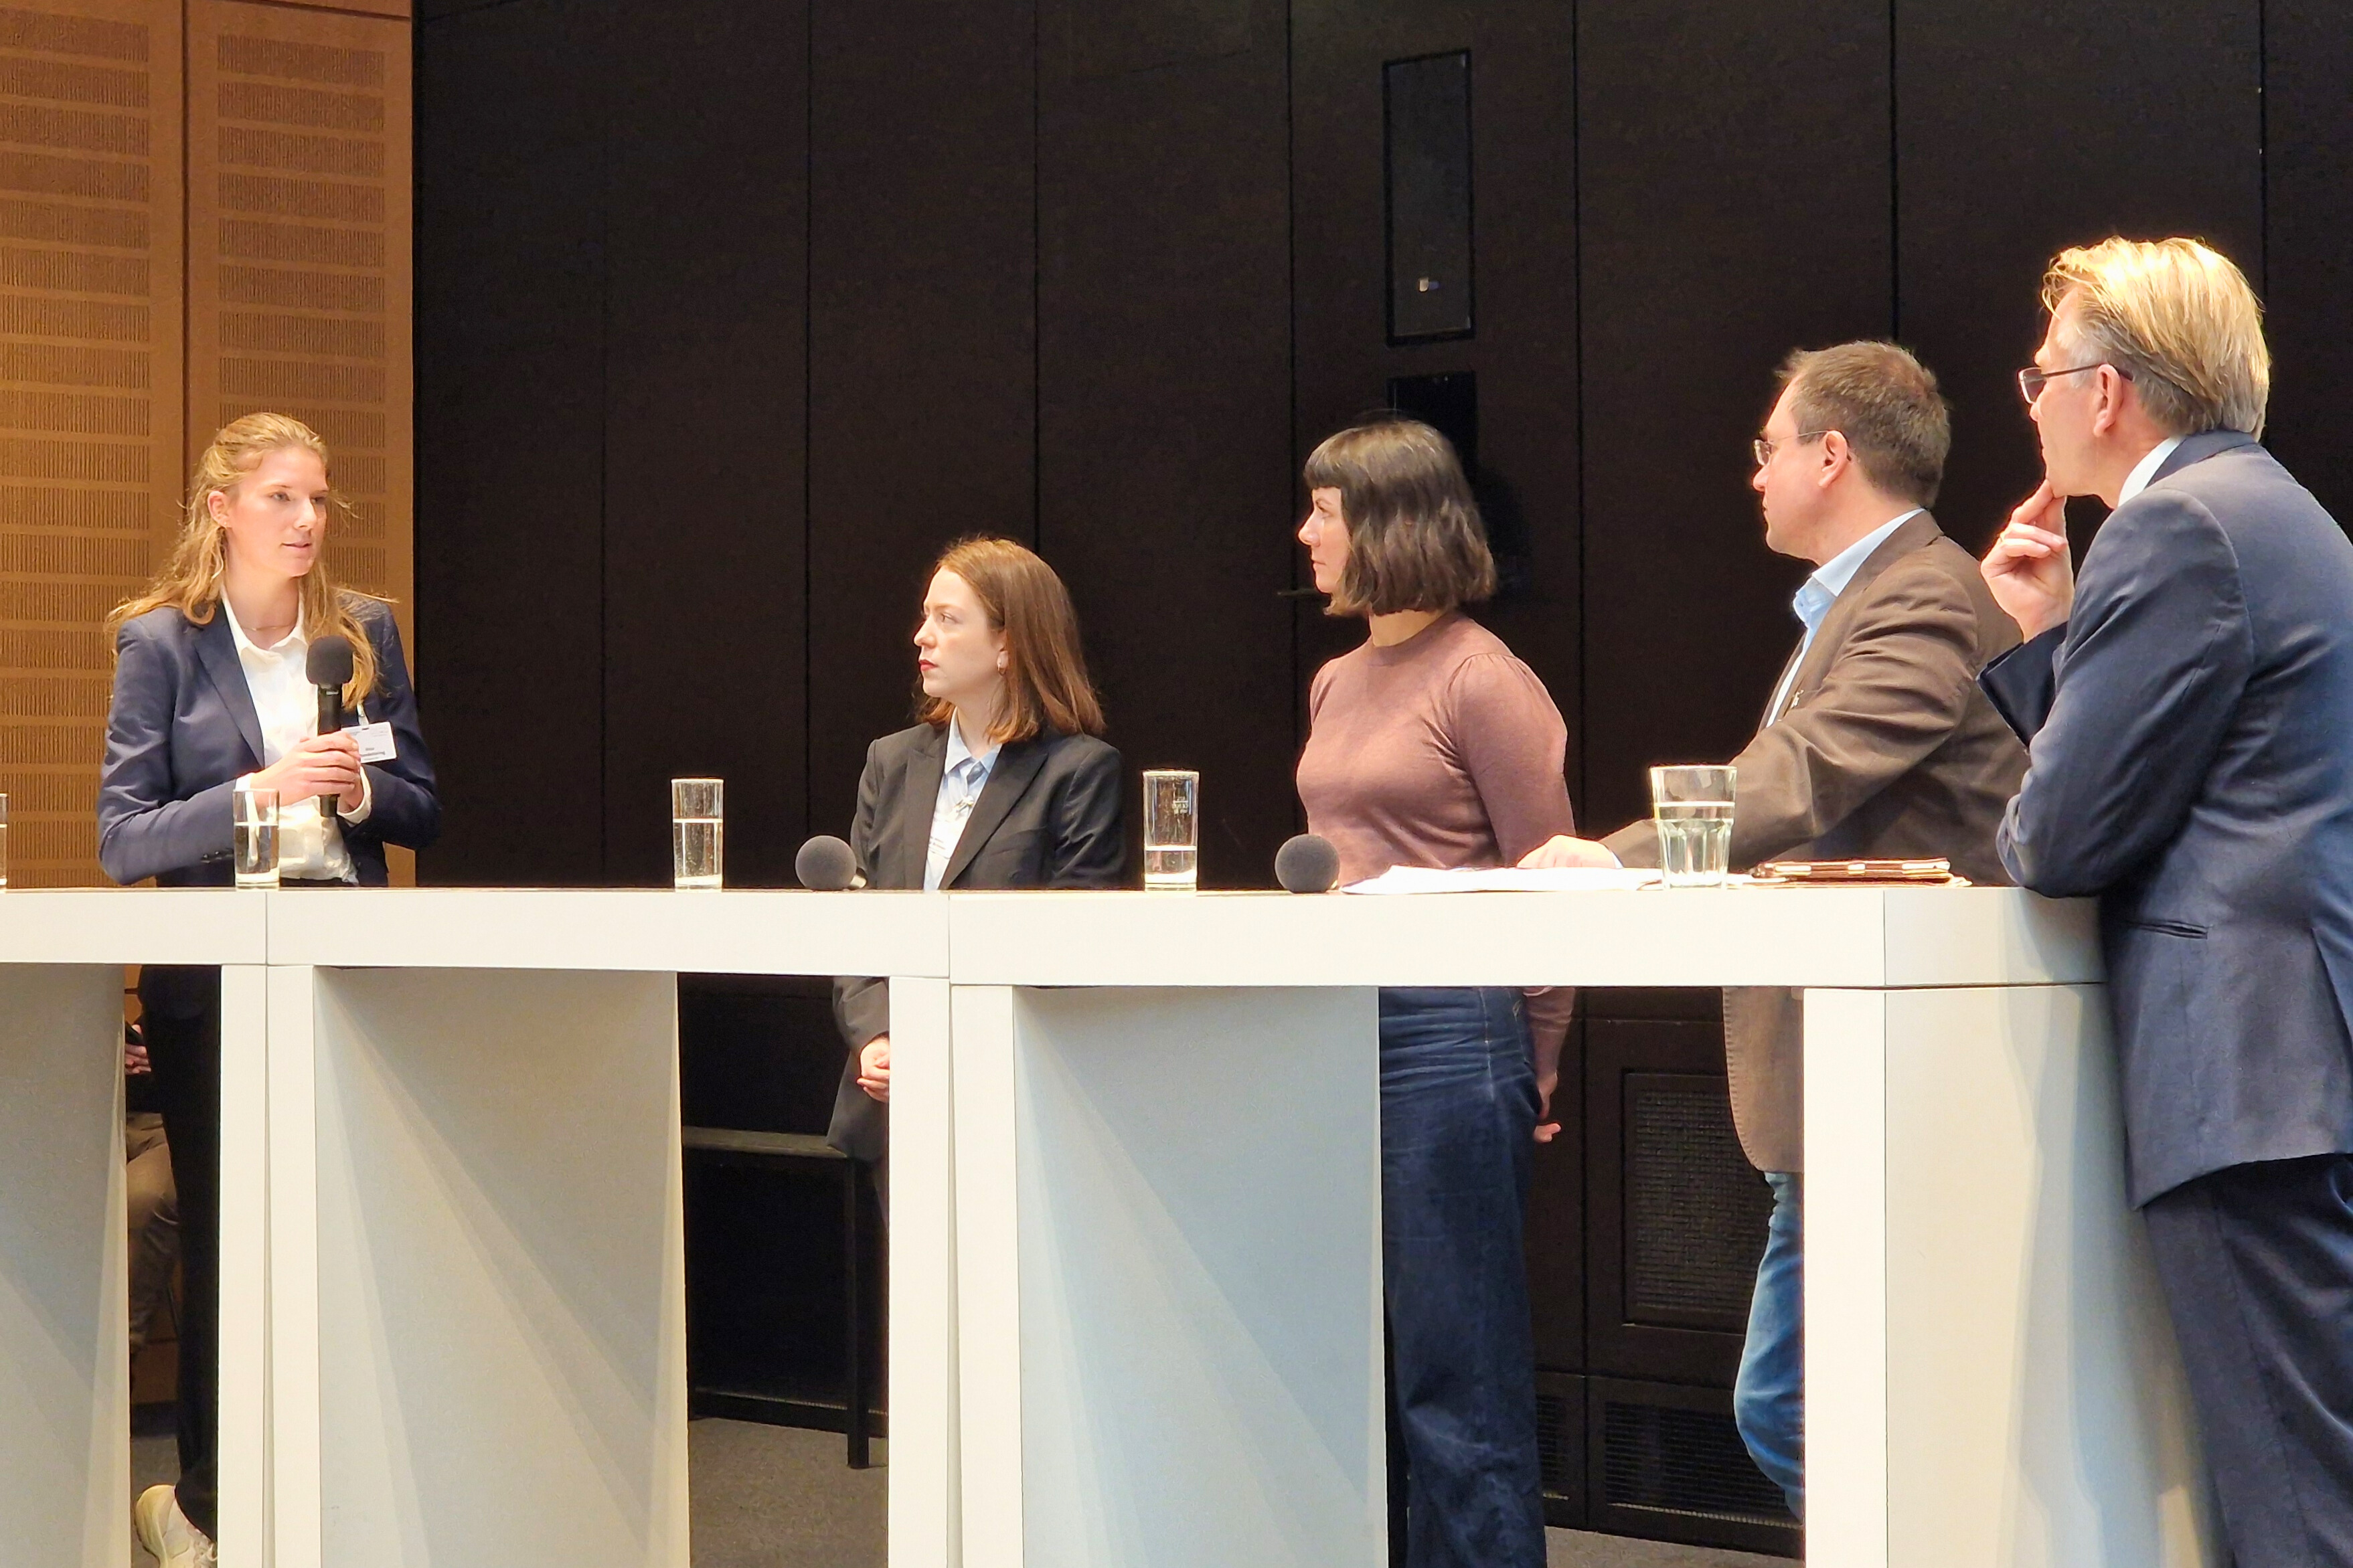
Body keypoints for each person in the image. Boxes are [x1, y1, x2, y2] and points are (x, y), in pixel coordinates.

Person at [1519, 342, 2027, 1516]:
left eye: (1769, 447)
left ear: (1831, 454)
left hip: (1896, 1077)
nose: (1755, 474)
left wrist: (1618, 857)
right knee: (1829, 1405)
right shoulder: (1870, 597)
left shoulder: (1922, 594)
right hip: (1853, 1082)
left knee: (1793, 1407)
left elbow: (1807, 768)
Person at [1976, 237, 2353, 1568]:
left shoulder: (2171, 524)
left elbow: (2057, 836)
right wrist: (2052, 638)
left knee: (2290, 1507)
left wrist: (2048, 651)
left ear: (2108, 389)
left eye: (2041, 373)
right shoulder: (2278, 510)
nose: (2029, 399)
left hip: (2240, 1076)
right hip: (2294, 1062)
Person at [99, 412, 440, 1568]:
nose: (306, 521)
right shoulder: (162, 642)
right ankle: (205, 1503)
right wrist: (263, 787)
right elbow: (123, 836)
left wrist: (356, 795)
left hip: (344, 972)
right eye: (282, 498)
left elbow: (423, 803)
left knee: (346, 1225)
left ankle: (345, 1489)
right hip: (217, 985)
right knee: (229, 1234)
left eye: (319, 499)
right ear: (222, 509)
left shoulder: (361, 633)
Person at [1292, 418, 1570, 1568]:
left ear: (1389, 523)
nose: (1305, 533)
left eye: (1324, 510)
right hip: (1333, 1021)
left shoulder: (1480, 675)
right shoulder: (1335, 677)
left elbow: (1550, 880)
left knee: (1455, 1370)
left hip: (1451, 1031)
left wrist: (1538, 1057)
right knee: (1362, 1364)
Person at [826, 537, 1124, 1184]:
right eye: (925, 615)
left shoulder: (1077, 771)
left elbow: (1071, 946)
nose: (922, 636)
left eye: (948, 619)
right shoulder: (891, 760)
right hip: (893, 1100)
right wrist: (877, 1036)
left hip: (1015, 1096)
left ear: (1007, 644)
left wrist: (944, 1045)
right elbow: (857, 922)